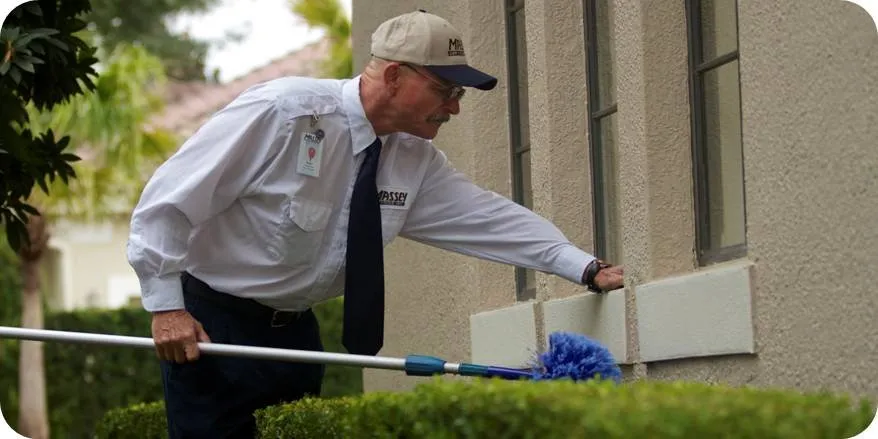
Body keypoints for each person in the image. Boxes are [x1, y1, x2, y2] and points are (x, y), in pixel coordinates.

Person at [127, 9, 624, 439]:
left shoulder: (414, 161)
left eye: (459, 94)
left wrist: (584, 267)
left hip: (296, 333)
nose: (453, 106)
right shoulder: (283, 113)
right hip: (215, 327)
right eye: (444, 90)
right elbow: (168, 203)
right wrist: (166, 308)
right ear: (393, 76)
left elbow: (490, 219)